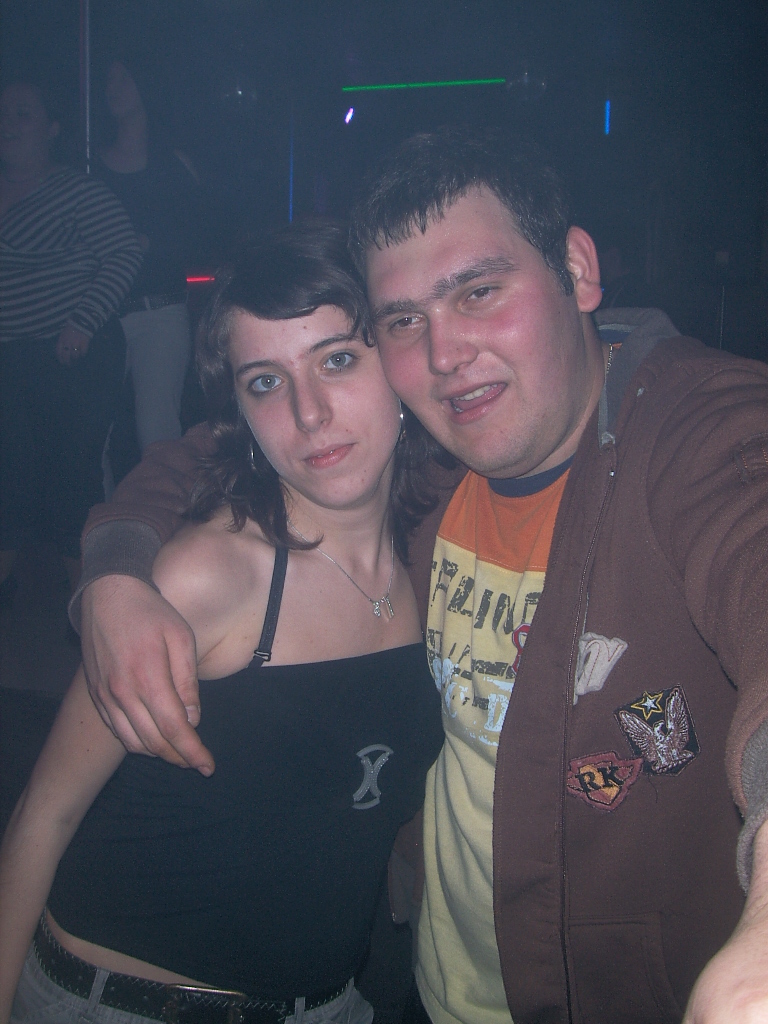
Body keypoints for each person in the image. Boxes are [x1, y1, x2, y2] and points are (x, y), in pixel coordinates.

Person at [70, 127, 768, 1024]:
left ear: (578, 270)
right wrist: (117, 570)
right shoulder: (434, 465)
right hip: (424, 987)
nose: (445, 355)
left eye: (478, 291)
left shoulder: (696, 432)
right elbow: (214, 450)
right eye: (404, 321)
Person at [0, 222, 444, 1023]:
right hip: (127, 1007)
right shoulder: (209, 573)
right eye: (266, 382)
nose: (309, 413)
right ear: (239, 408)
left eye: (337, 360)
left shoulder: (439, 554)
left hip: (332, 1005)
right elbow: (45, 813)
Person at [0, 79, 142, 598]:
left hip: (73, 354)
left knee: (69, 475)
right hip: (10, 355)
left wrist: (82, 321)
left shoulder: (76, 190)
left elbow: (125, 252)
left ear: (52, 129)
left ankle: (87, 604)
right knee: (9, 472)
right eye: (3, 113)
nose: (8, 123)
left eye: (23, 113)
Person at [94, 57, 201, 458]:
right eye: (108, 79)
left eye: (123, 77)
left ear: (145, 85)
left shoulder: (174, 165)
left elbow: (201, 238)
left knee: (156, 433)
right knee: (91, 435)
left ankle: (163, 501)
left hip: (159, 312)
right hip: (101, 314)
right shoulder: (89, 166)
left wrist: (147, 243)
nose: (112, 87)